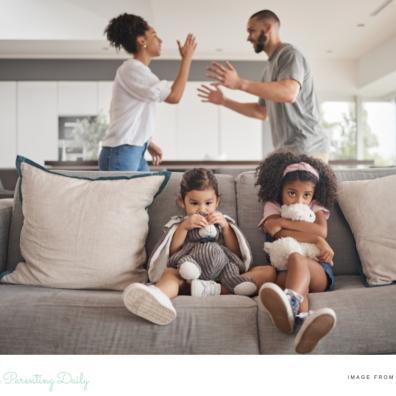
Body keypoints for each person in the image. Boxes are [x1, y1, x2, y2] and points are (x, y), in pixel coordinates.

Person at [123, 168, 276, 325]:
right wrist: (184, 227)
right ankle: (158, 297)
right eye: (194, 203)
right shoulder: (179, 224)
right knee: (170, 273)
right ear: (182, 202)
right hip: (188, 277)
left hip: (224, 277)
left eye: (208, 203)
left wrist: (226, 227)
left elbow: (237, 255)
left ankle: (213, 290)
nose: (202, 209)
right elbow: (172, 255)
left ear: (217, 201)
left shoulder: (224, 222)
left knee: (268, 272)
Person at [198, 9, 328, 161]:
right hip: (286, 152)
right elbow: (261, 112)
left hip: (308, 148)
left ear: (267, 28)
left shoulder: (289, 54)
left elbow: (289, 93)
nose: (248, 38)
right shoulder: (268, 70)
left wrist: (239, 83)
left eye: (251, 31)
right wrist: (224, 101)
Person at [255, 150, 337, 353]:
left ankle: (289, 302)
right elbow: (278, 233)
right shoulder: (273, 206)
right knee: (290, 278)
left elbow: (321, 230)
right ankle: (302, 322)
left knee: (297, 259)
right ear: (280, 189)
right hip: (285, 274)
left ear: (313, 195)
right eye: (292, 193)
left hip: (317, 270)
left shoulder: (316, 206)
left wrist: (317, 237)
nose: (300, 201)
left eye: (306, 195)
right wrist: (313, 237)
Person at [98, 13, 197, 171]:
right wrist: (186, 59)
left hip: (132, 150)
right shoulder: (131, 69)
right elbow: (174, 97)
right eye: (155, 35)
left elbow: (133, 114)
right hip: (122, 152)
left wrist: (147, 142)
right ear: (142, 41)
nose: (160, 40)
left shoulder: (140, 72)